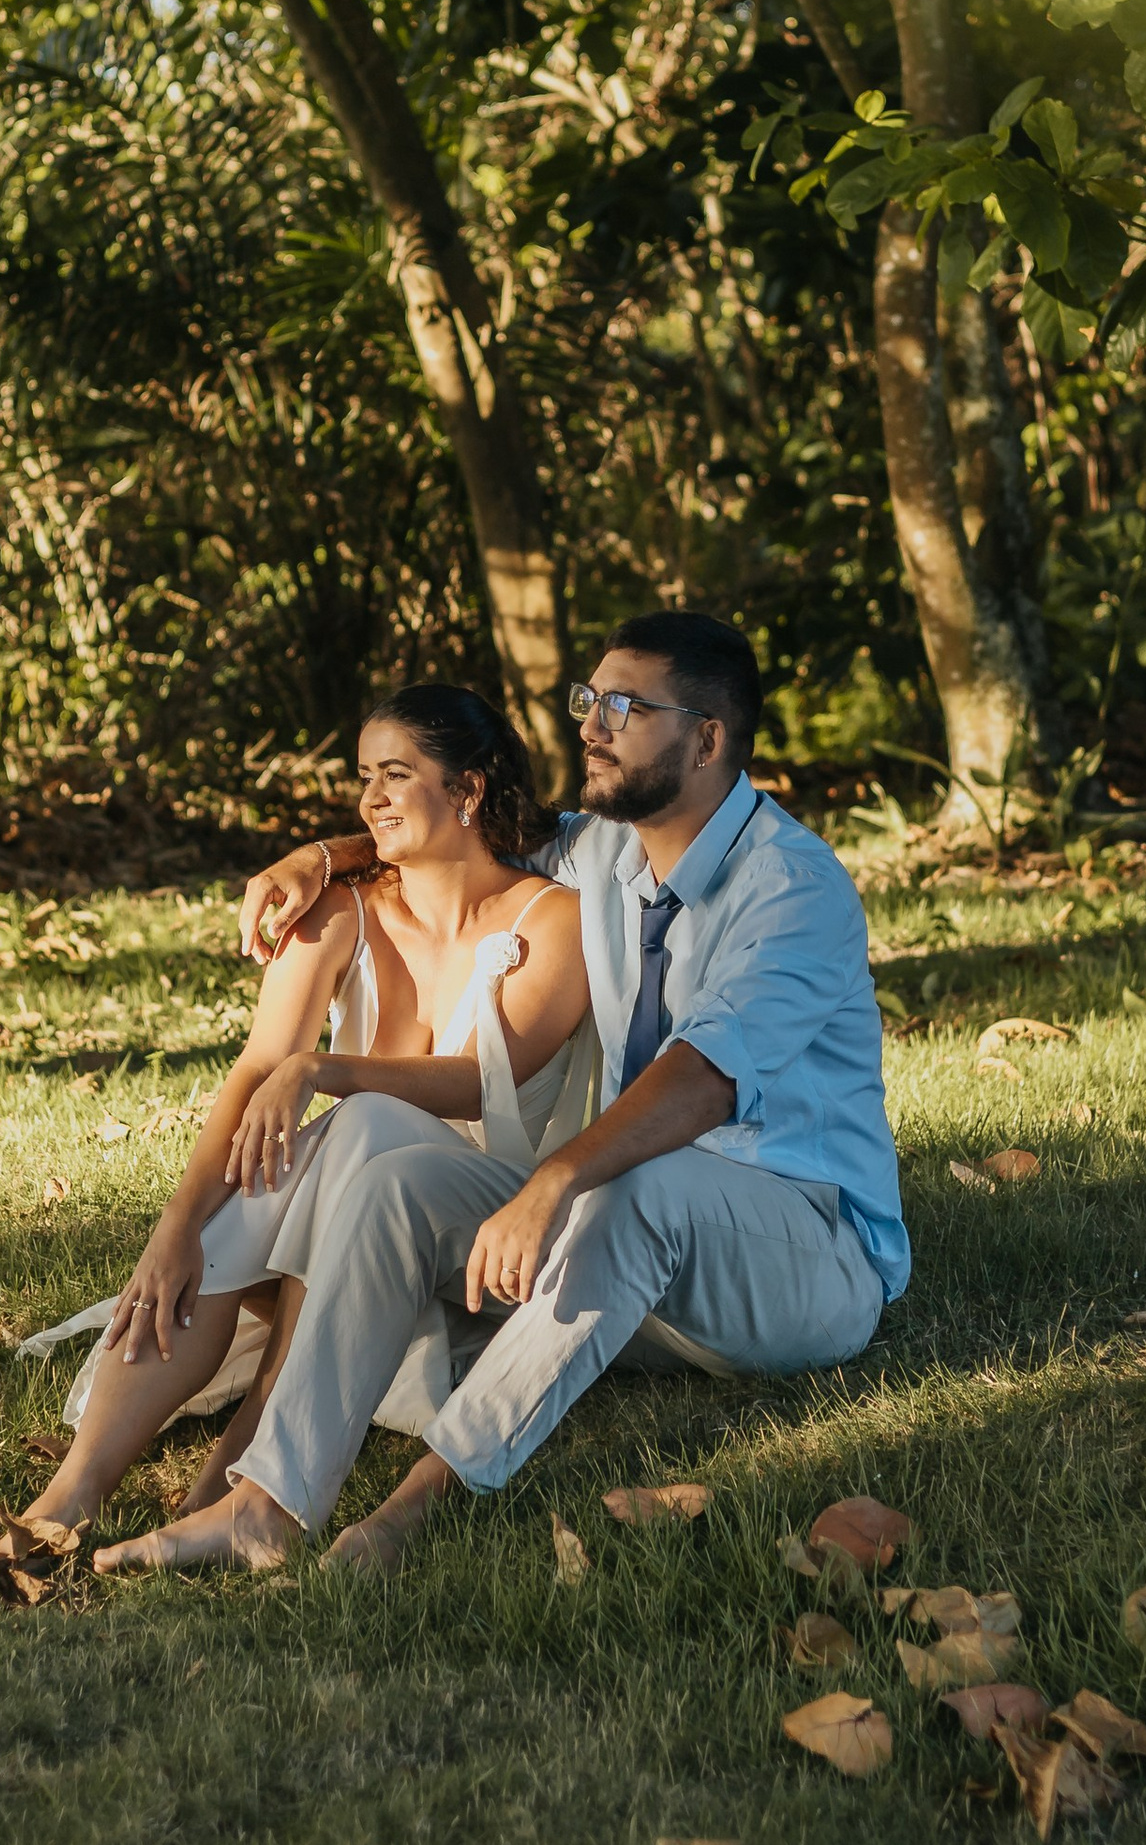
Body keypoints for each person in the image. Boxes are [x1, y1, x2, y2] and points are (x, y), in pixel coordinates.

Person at [98, 609, 905, 1577]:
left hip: (801, 1254)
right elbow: (462, 831)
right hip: (638, 1264)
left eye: (623, 706)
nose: (590, 725)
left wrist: (549, 1179)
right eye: (587, 701)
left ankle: (406, 1513)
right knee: (398, 1182)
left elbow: (701, 1084)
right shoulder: (602, 851)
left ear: (706, 740)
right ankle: (265, 1506)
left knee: (626, 1187)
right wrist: (323, 855)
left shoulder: (790, 888)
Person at [17, 687, 591, 1543]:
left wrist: (321, 1068)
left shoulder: (555, 920)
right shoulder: (341, 909)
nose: (371, 800)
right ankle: (74, 1490)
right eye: (365, 778)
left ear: (467, 791)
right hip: (332, 1210)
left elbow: (480, 1083)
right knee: (285, 1172)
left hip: (485, 1221)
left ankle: (252, 1432)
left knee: (365, 1121)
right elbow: (256, 1068)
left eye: (397, 775)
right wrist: (175, 1228)